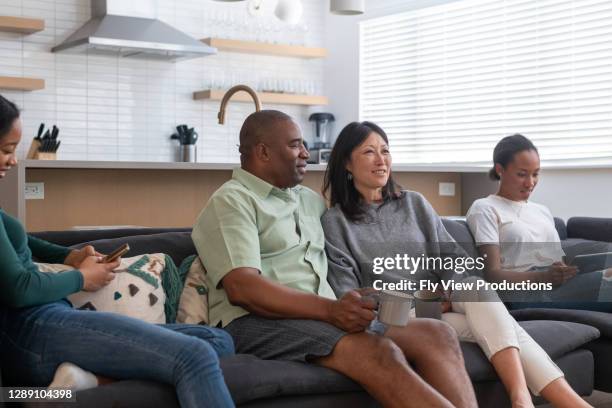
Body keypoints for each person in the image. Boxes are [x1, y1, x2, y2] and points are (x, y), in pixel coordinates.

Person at [193, 110, 478, 408]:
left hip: (324, 314)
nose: (306, 153)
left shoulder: (310, 201)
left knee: (437, 333)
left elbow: (347, 266)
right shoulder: (232, 201)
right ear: (263, 152)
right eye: (295, 145)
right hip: (256, 321)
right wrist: (331, 310)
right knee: (379, 351)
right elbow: (244, 289)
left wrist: (367, 298)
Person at [321, 121, 592, 408]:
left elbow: (455, 259)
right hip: (395, 316)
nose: (381, 159)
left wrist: (448, 291)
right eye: (368, 152)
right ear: (346, 164)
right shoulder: (336, 223)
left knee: (479, 294)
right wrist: (429, 299)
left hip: (442, 304)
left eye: (385, 150)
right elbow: (349, 296)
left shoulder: (414, 203)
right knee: (502, 323)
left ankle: (525, 398)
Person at [0, 95, 235, 408]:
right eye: (6, 150)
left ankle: (89, 380)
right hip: (32, 329)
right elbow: (18, 288)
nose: (13, 160)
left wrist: (67, 255)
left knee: (218, 340)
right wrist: (81, 277)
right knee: (194, 356)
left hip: (48, 323)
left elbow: (22, 240)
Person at [466, 134, 612, 311]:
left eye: (535, 174)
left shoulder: (542, 210)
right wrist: (543, 277)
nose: (530, 183)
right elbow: (492, 275)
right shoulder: (485, 208)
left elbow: (559, 261)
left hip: (556, 286)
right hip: (524, 294)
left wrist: (564, 270)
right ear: (499, 169)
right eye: (521, 174)